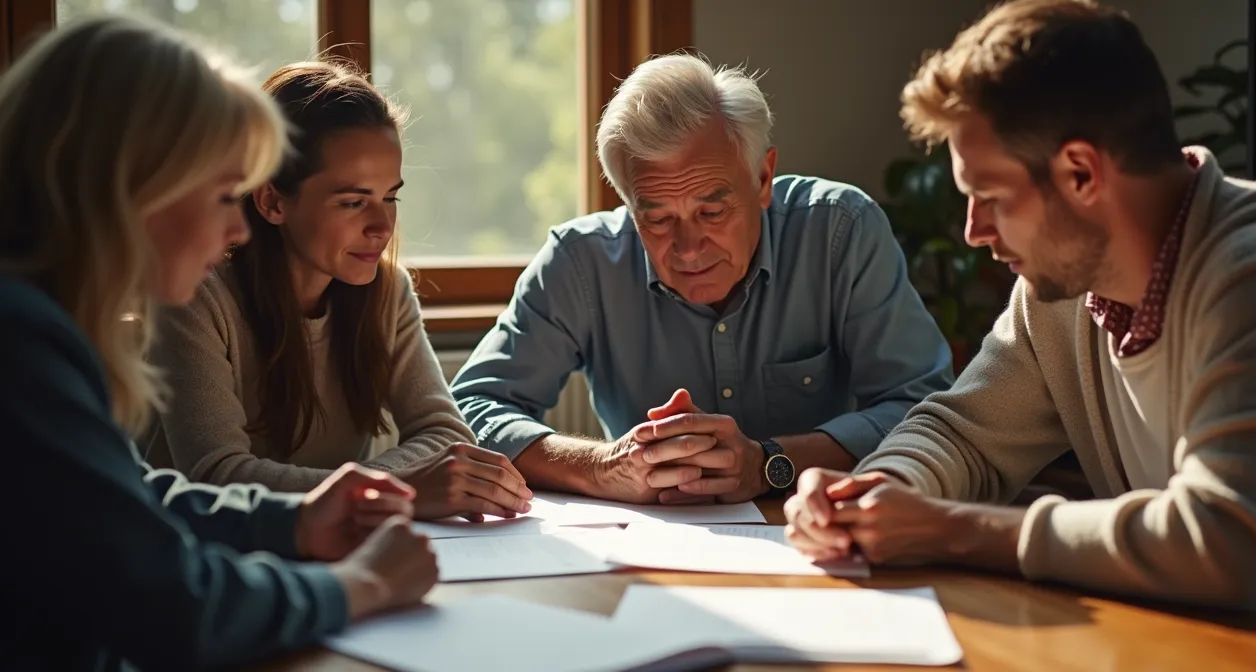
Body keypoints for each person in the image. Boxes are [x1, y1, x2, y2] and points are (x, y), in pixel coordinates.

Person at [784, 0, 1256, 630]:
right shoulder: (1061, 291)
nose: (974, 232)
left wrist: (950, 530)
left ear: (1081, 172)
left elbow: (1228, 544)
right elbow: (964, 435)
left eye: (990, 197)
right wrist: (877, 491)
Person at [0, 15, 440, 670]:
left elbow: (131, 499)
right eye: (224, 195)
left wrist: (287, 522)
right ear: (132, 185)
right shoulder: (20, 346)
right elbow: (168, 603)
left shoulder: (41, 327)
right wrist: (360, 586)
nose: (238, 229)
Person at [451, 53, 954, 505]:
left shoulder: (840, 231)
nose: (689, 248)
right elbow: (469, 408)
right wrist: (601, 467)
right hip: (651, 555)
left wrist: (768, 464)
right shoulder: (581, 263)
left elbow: (922, 407)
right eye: (658, 219)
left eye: (712, 211)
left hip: (818, 534)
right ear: (627, 204)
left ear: (762, 180)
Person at [147, 61, 533, 522]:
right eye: (353, 202)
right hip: (204, 555)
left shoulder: (387, 291)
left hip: (331, 545)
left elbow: (446, 432)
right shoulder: (196, 297)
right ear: (272, 201)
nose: (382, 226)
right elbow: (216, 475)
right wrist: (397, 489)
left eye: (390, 197)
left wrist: (376, 493)